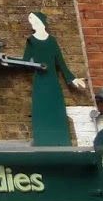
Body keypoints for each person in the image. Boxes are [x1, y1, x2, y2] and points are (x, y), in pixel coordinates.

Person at [20, 10, 86, 146]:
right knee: (41, 110)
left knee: (56, 109)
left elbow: (60, 62)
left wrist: (73, 79)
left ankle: (61, 141)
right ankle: (42, 141)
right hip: (40, 81)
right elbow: (25, 62)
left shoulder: (52, 41)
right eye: (30, 21)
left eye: (33, 20)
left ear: (40, 22)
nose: (31, 24)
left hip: (53, 81)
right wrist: (30, 63)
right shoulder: (31, 41)